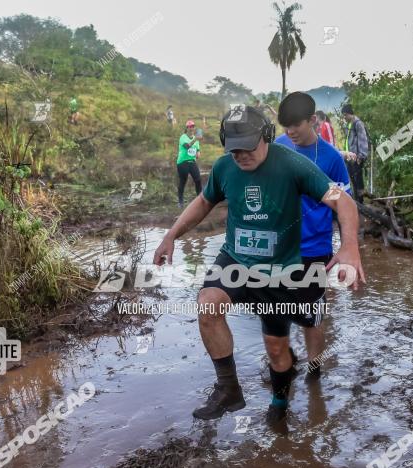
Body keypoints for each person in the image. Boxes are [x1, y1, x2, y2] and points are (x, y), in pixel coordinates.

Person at [153, 105, 365, 426]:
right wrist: (171, 235)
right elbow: (203, 202)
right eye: (233, 148)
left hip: (280, 270)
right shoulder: (225, 167)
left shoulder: (294, 164)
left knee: (276, 349)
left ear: (265, 136)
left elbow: (342, 201)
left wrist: (349, 245)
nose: (241, 155)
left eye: (248, 146)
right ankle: (228, 389)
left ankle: (279, 401)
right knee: (208, 305)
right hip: (236, 258)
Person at [275, 92, 352, 379]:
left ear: (313, 120)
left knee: (311, 315)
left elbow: (344, 201)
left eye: (296, 125)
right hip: (278, 248)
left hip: (314, 248)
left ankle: (315, 367)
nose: (290, 132)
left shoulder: (331, 157)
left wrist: (320, 189)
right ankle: (285, 358)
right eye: (286, 126)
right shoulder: (278, 147)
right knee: (275, 309)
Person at [340, 104, 369, 202]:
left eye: (345, 115)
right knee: (353, 182)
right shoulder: (349, 124)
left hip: (357, 158)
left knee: (358, 181)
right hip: (349, 158)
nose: (344, 117)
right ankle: (357, 202)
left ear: (350, 114)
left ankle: (361, 203)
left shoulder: (358, 124)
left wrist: (361, 156)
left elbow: (363, 140)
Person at [176, 120, 202, 208]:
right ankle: (180, 201)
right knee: (183, 181)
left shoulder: (196, 139)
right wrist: (196, 139)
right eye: (190, 126)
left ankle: (200, 200)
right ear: (186, 128)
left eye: (193, 126)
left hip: (192, 162)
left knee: (198, 180)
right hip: (182, 162)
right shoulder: (183, 137)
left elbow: (198, 151)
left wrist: (198, 154)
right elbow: (187, 146)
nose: (191, 128)